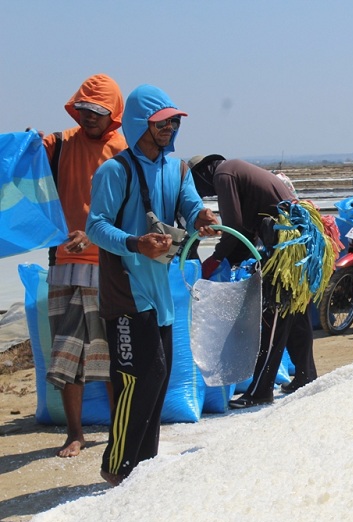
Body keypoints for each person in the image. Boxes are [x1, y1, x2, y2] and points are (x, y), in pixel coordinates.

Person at [86, 85, 218, 485]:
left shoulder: (176, 169)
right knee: (133, 378)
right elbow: (95, 227)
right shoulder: (115, 170)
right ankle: (117, 467)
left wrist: (200, 217)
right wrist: (134, 243)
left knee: (158, 376)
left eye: (174, 121)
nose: (170, 127)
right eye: (163, 122)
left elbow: (191, 204)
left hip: (161, 296)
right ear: (141, 123)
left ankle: (142, 468)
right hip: (126, 292)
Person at [38, 74, 127, 457]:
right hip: (63, 263)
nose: (89, 116)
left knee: (110, 354)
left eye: (98, 111)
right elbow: (21, 160)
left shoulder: (124, 152)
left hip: (106, 265)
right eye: (84, 109)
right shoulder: (60, 143)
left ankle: (116, 429)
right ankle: (75, 432)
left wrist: (94, 236)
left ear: (114, 113)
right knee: (66, 352)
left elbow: (130, 213)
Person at [188, 156, 317, 403]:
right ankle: (305, 375)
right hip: (297, 241)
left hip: (287, 246)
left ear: (203, 171)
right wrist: (234, 258)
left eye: (198, 184)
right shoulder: (236, 170)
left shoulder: (224, 174)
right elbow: (246, 228)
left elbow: (233, 225)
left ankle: (260, 391)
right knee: (296, 313)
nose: (203, 192)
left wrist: (215, 259)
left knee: (274, 317)